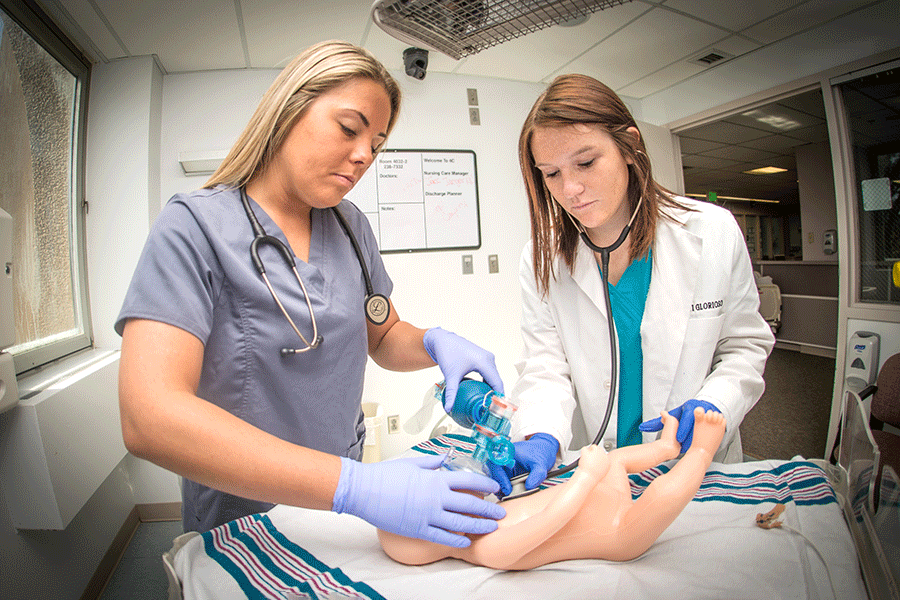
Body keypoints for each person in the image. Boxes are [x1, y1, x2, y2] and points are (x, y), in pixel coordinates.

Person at [115, 40, 506, 547]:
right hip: (246, 511)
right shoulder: (193, 228)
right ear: (287, 111)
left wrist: (434, 341)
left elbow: (383, 336)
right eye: (349, 129)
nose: (365, 155)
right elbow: (149, 417)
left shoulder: (350, 227)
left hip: (342, 511)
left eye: (377, 143)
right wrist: (356, 488)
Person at [489, 73, 774, 497]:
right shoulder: (540, 257)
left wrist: (717, 403)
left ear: (629, 146)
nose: (570, 189)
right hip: (598, 472)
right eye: (551, 173)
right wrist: (540, 433)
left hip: (693, 468)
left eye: (585, 163)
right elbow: (546, 365)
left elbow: (744, 347)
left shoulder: (711, 231)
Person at [378, 407, 726, 569]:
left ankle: (668, 448)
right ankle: (700, 452)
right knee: (662, 496)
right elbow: (552, 519)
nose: (453, 473)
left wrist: (592, 477)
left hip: (600, 489)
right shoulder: (487, 548)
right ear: (441, 531)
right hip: (616, 531)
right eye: (443, 485)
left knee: (618, 459)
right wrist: (586, 477)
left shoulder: (489, 513)